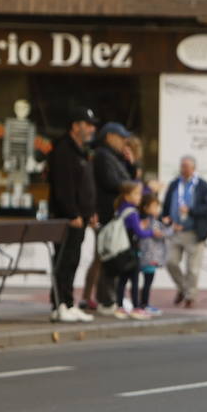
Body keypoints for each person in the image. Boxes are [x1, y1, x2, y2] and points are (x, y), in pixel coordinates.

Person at [46, 106, 97, 322]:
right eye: (88, 124)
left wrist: (90, 212)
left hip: (81, 217)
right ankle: (58, 305)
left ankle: (68, 302)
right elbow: (63, 187)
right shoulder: (63, 150)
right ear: (75, 126)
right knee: (64, 260)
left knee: (73, 260)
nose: (92, 129)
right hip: (68, 219)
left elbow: (84, 185)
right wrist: (72, 213)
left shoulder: (80, 150)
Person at [85, 121, 137, 312]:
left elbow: (128, 180)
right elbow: (113, 183)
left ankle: (95, 297)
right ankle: (103, 299)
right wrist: (130, 186)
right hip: (106, 214)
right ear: (109, 137)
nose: (125, 141)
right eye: (121, 137)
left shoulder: (114, 157)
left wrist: (131, 165)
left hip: (112, 215)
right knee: (107, 256)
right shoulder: (103, 156)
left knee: (105, 257)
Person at [161, 155, 207, 307]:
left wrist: (190, 211)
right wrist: (166, 219)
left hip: (194, 232)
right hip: (176, 231)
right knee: (171, 261)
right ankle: (184, 288)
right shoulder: (174, 184)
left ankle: (190, 297)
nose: (183, 169)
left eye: (186, 166)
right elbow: (166, 205)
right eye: (182, 165)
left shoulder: (202, 185)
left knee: (193, 268)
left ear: (193, 168)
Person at [106, 180, 156, 320]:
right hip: (132, 251)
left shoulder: (120, 208)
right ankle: (136, 307)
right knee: (134, 280)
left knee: (122, 280)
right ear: (127, 195)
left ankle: (120, 306)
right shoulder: (132, 212)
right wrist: (151, 232)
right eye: (137, 194)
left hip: (122, 250)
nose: (140, 197)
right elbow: (139, 232)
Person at [137, 190, 168, 314]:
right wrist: (167, 228)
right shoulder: (149, 221)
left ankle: (141, 303)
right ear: (145, 207)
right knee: (147, 281)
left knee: (143, 281)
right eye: (154, 206)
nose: (157, 209)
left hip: (144, 255)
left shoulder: (149, 220)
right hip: (148, 256)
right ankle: (143, 304)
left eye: (157, 206)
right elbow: (159, 234)